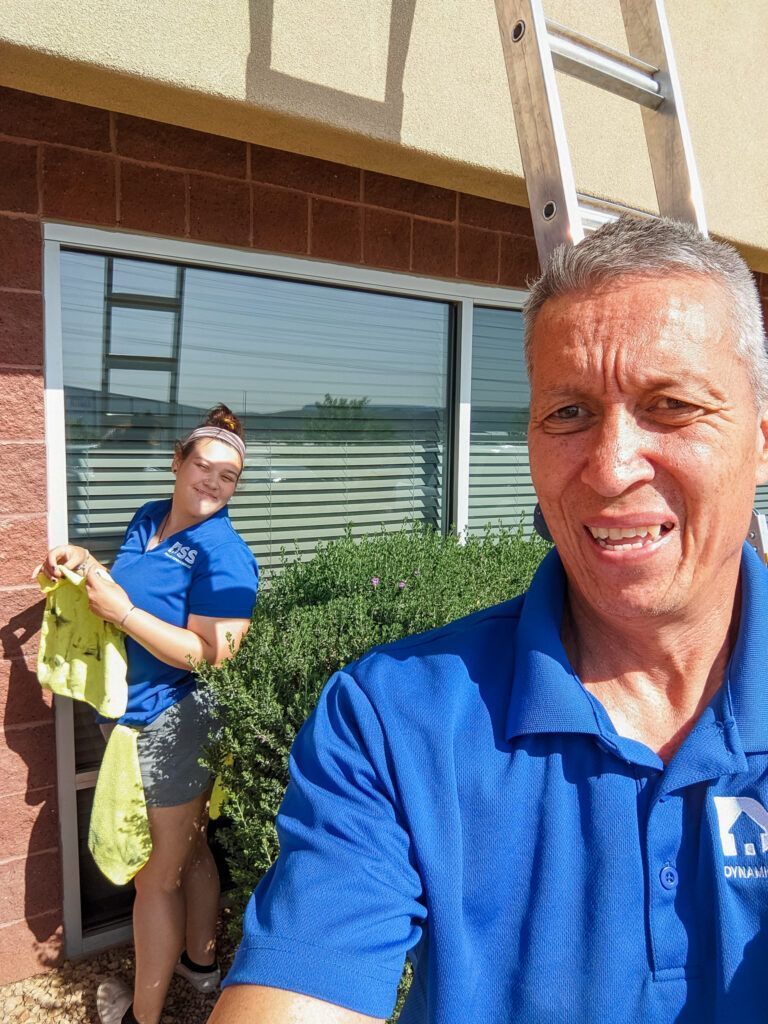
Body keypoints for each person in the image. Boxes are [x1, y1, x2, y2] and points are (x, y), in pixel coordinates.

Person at [206, 217, 768, 1024]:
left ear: (760, 444)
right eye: (568, 412)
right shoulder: (396, 718)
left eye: (671, 405)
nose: (610, 468)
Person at [35, 404, 259, 1024]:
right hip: (133, 713)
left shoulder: (225, 554)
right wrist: (83, 562)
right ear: (177, 464)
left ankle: (143, 1016)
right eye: (204, 468)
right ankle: (201, 966)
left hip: (178, 719)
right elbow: (125, 585)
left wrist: (122, 614)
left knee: (154, 879)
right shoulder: (148, 519)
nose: (213, 484)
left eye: (228, 478)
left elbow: (212, 657)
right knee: (189, 853)